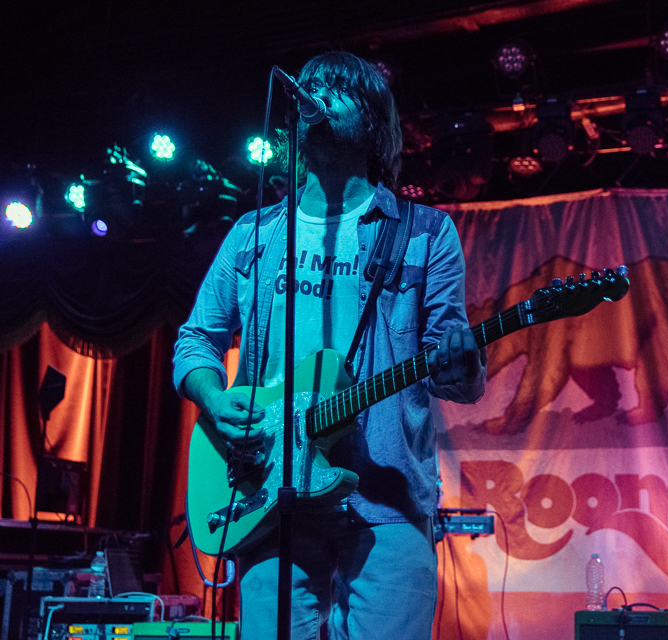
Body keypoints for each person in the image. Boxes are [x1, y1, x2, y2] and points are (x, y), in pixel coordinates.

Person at [172, 51, 486, 640]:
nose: (312, 97)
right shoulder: (254, 235)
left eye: (334, 90)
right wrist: (214, 401)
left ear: (370, 121)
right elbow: (195, 341)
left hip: (387, 494)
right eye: (307, 89)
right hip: (270, 488)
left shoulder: (424, 232)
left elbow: (453, 376)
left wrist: (462, 363)